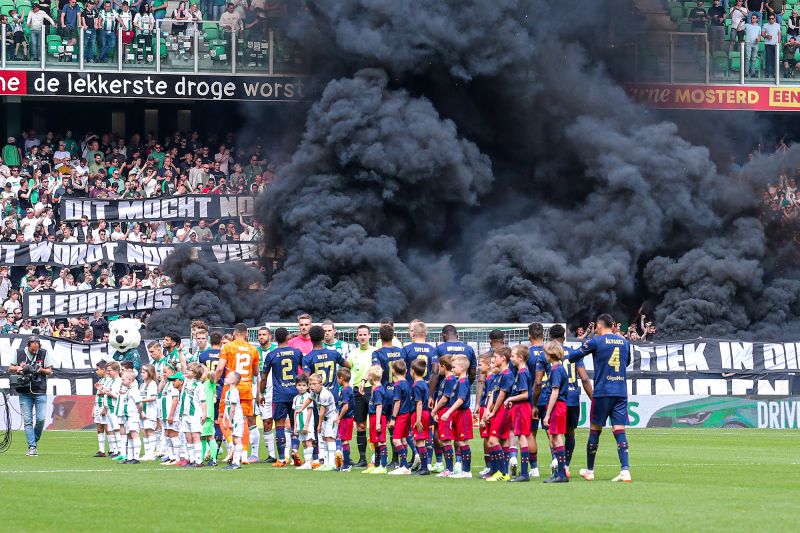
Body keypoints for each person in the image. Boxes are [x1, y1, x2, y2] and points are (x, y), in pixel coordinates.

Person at [567, 314, 632, 483]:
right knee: (619, 429)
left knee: (595, 429)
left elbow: (573, 357)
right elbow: (627, 363)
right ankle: (625, 470)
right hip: (620, 391)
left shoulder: (597, 340)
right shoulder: (625, 342)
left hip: (603, 391)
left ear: (599, 326)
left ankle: (590, 471)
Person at [259, 327, 303, 468]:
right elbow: (306, 370)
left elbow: (264, 377)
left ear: (275, 339)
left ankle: (282, 459)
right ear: (288, 338)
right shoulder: (297, 353)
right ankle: (295, 450)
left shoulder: (271, 354)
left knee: (279, 425)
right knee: (296, 425)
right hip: (296, 393)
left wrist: (261, 393)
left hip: (279, 395)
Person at [215, 322, 259, 462]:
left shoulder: (228, 347)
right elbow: (256, 372)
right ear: (247, 334)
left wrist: (214, 382)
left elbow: (220, 368)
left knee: (223, 418)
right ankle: (244, 455)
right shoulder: (253, 349)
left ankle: (231, 444)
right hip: (246, 387)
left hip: (231, 387)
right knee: (245, 421)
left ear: (234, 334)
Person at [8, 335, 54, 456]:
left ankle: (34, 439)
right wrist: (18, 367)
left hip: (40, 390)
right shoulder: (19, 353)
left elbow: (49, 370)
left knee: (41, 419)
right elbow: (10, 368)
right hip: (24, 392)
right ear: (28, 346)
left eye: (37, 348)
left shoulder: (44, 353)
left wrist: (40, 370)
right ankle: (32, 446)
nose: (35, 351)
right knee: (28, 421)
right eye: (33, 349)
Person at [371, 324, 405, 467]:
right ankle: (396, 460)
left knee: (382, 427)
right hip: (398, 392)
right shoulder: (401, 351)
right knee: (396, 427)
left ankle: (382, 461)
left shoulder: (377, 353)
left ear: (379, 337)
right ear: (393, 336)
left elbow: (377, 370)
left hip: (384, 393)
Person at [482, 347, 513, 482]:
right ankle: (498, 472)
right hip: (498, 410)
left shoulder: (507, 374)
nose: (494, 359)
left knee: (493, 440)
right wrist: (488, 410)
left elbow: (501, 395)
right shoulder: (499, 374)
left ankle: (502, 472)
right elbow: (493, 395)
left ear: (503, 358)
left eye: (496, 356)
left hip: (503, 411)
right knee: (502, 441)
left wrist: (493, 412)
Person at [439, 355, 473, 479]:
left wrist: (448, 412)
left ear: (462, 367)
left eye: (454, 367)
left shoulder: (463, 382)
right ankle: (462, 470)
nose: (452, 369)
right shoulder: (459, 381)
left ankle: (467, 471)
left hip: (462, 414)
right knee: (459, 440)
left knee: (463, 441)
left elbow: (460, 400)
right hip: (458, 414)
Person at [542, 341, 569, 483]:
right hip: (557, 406)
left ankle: (562, 474)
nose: (544, 355)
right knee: (553, 439)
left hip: (557, 407)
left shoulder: (556, 370)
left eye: (545, 352)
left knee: (557, 438)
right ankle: (560, 472)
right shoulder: (557, 368)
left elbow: (555, 392)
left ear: (551, 353)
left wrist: (547, 415)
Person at [506, 345, 533, 482]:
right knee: (521, 437)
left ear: (520, 358)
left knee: (522, 439)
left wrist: (510, 398)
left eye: (512, 356)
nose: (511, 359)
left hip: (522, 408)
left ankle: (524, 473)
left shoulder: (522, 372)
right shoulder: (520, 371)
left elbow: (525, 394)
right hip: (519, 408)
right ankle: (523, 472)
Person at [350, 324, 374, 467]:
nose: (363, 337)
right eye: (360, 335)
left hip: (372, 390)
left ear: (370, 336)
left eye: (365, 334)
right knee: (360, 425)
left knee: (375, 425)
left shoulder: (375, 352)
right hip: (357, 392)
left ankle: (378, 457)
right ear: (357, 336)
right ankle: (362, 459)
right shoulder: (353, 354)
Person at [430, 355, 456, 477]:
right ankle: (448, 467)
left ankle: (449, 469)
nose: (438, 369)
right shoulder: (444, 380)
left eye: (439, 366)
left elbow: (445, 399)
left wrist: (434, 410)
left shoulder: (451, 380)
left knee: (445, 440)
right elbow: (439, 396)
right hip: (441, 411)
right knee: (442, 440)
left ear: (443, 367)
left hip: (446, 410)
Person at [255, 326, 277, 463]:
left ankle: (286, 453)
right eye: (259, 335)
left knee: (282, 422)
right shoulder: (255, 352)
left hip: (276, 389)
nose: (261, 337)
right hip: (261, 390)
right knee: (266, 421)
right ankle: (271, 454)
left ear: (270, 336)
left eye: (264, 334)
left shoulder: (275, 350)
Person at [387, 359, 413, 475]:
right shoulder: (407, 383)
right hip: (407, 414)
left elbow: (397, 402)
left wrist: (393, 417)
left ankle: (404, 466)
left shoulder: (397, 385)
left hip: (401, 415)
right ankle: (404, 465)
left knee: (396, 440)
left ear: (393, 371)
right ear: (406, 371)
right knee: (403, 439)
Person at [308, 372, 338, 472]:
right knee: (324, 439)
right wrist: (301, 408)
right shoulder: (314, 392)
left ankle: (332, 463)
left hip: (331, 418)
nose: (312, 386)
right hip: (325, 419)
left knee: (330, 438)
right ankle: (326, 463)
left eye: (314, 384)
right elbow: (309, 399)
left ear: (321, 384)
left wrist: (319, 425)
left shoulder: (324, 394)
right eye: (310, 384)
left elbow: (322, 411)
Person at [527, 322, 546, 478]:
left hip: (533, 398)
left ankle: (534, 468)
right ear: (543, 335)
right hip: (551, 398)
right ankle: (557, 463)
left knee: (531, 434)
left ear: (529, 336)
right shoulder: (551, 351)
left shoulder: (527, 354)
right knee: (553, 433)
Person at [363, 365, 387, 475]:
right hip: (373, 417)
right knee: (375, 442)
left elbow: (379, 406)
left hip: (378, 417)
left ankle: (383, 465)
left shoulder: (378, 390)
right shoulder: (375, 389)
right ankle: (376, 465)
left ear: (371, 377)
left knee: (381, 441)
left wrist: (378, 423)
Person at [476, 354, 495, 478]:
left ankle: (491, 466)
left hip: (488, 410)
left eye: (480, 364)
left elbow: (492, 396)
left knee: (489, 438)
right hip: (485, 407)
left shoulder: (492, 378)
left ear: (488, 365)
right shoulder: (488, 378)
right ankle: (490, 466)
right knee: (486, 437)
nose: (478, 367)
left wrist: (487, 412)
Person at [100, 361, 123, 459]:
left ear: (116, 370)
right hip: (108, 409)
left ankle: (120, 450)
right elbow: (106, 393)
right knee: (111, 430)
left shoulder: (119, 381)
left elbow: (118, 395)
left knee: (116, 429)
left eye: (110, 370)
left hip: (114, 409)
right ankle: (114, 450)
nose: (108, 372)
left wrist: (109, 393)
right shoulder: (110, 380)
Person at [221, 371, 244, 470]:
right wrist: (224, 419)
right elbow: (227, 407)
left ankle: (237, 462)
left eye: (228, 377)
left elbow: (233, 408)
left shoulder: (234, 392)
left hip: (237, 419)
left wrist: (230, 421)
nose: (225, 378)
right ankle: (235, 461)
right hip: (232, 419)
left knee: (237, 439)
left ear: (233, 381)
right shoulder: (228, 392)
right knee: (234, 439)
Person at [292, 374, 315, 470]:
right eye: (299, 385)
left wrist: (306, 425)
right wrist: (295, 427)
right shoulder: (295, 398)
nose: (301, 387)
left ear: (308, 386)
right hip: (299, 424)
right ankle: (307, 462)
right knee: (304, 443)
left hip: (307, 424)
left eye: (304, 385)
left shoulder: (309, 397)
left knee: (308, 441)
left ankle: (309, 462)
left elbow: (310, 411)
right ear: (296, 385)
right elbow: (295, 412)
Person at [120, 369, 143, 464]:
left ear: (129, 379)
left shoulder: (134, 390)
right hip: (127, 417)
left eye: (123, 379)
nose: (122, 381)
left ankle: (136, 458)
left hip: (132, 416)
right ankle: (129, 457)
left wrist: (140, 413)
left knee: (134, 435)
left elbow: (140, 404)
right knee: (129, 436)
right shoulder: (129, 390)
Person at [139, 364, 159, 461]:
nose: (142, 374)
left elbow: (153, 397)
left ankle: (151, 453)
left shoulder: (152, 384)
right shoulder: (142, 385)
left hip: (150, 412)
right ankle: (147, 453)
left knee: (150, 431)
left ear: (149, 373)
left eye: (144, 372)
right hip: (142, 412)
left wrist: (141, 399)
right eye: (141, 372)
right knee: (145, 432)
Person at [335, 368, 354, 471]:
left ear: (341, 379)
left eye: (337, 378)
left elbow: (345, 406)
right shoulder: (349, 389)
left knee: (344, 441)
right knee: (345, 440)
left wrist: (339, 417)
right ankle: (346, 463)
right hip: (348, 418)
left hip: (346, 419)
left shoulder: (345, 390)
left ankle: (346, 465)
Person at [92, 360, 110, 457]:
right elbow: (97, 395)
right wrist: (94, 408)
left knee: (108, 428)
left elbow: (107, 393)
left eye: (97, 369)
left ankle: (112, 450)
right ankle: (101, 450)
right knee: (99, 428)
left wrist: (105, 408)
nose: (96, 371)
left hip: (105, 407)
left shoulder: (109, 380)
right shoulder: (100, 380)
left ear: (104, 370)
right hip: (98, 407)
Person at [762, 13, 782, 77]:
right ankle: (767, 72)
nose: (771, 20)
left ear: (775, 19)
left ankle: (774, 72)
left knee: (774, 59)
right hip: (767, 44)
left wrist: (778, 42)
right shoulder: (765, 25)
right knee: (768, 58)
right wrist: (766, 36)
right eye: (770, 19)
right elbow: (762, 34)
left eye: (772, 18)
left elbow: (779, 34)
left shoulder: (778, 25)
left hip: (775, 44)